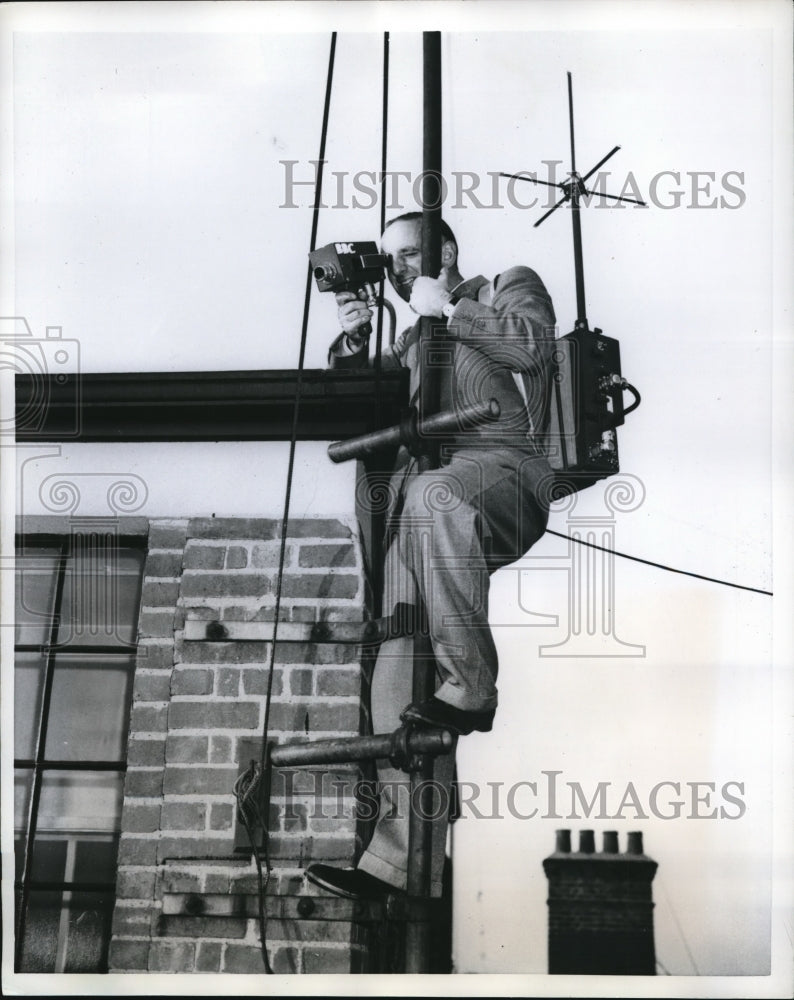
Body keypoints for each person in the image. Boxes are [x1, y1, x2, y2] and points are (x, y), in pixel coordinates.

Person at [306, 212, 556, 900]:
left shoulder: (505, 285)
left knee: (436, 496)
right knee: (398, 684)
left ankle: (472, 685)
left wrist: (450, 305)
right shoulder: (409, 336)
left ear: (444, 251)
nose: (396, 273)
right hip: (425, 513)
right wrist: (359, 336)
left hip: (501, 472)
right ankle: (400, 864)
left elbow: (535, 349)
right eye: (386, 264)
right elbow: (359, 404)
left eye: (407, 256)